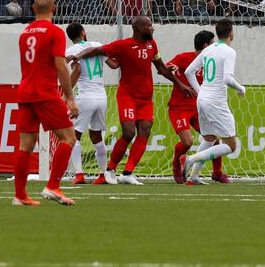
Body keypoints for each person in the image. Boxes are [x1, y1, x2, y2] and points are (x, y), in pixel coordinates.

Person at [67, 16, 195, 184]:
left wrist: (180, 85)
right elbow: (96, 51)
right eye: (149, 26)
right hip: (128, 96)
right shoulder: (123, 45)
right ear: (138, 28)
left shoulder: (152, 45)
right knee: (128, 133)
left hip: (145, 98)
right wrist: (78, 56)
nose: (152, 28)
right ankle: (109, 170)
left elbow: (161, 68)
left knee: (145, 131)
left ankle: (127, 173)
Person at [12, 0, 78, 205]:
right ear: (55, 8)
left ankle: (20, 195)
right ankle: (53, 186)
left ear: (32, 8)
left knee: (26, 144)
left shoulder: (25, 32)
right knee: (69, 138)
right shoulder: (54, 32)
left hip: (25, 92)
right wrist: (69, 97)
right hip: (45, 92)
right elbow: (60, 65)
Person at [181, 20, 245, 185]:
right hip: (216, 101)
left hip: (202, 99)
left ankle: (193, 177)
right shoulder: (229, 51)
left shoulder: (208, 49)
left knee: (209, 139)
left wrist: (200, 90)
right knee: (231, 145)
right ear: (231, 33)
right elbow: (227, 78)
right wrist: (241, 88)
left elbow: (189, 72)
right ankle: (189, 160)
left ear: (217, 33)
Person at [167, 30, 229, 184]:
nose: (215, 45)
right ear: (205, 45)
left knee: (214, 138)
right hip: (179, 108)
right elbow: (165, 67)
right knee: (187, 142)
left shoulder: (209, 60)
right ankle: (177, 164)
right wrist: (172, 69)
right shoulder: (184, 58)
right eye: (213, 43)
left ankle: (217, 173)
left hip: (198, 107)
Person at [64, 22, 118, 185]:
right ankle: (103, 175)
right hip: (101, 96)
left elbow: (78, 70)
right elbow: (114, 65)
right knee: (97, 137)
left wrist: (67, 94)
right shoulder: (97, 46)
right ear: (83, 32)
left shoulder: (70, 51)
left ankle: (79, 174)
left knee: (74, 136)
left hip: (85, 97)